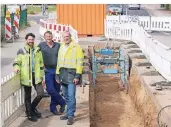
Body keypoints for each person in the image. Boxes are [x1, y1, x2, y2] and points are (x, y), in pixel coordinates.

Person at [13, 33, 44, 122]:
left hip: (36, 76)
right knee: (28, 97)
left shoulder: (38, 50)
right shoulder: (21, 50)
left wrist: (42, 77)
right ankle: (29, 114)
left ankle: (32, 108)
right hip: (27, 76)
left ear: (34, 40)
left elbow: (41, 64)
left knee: (41, 93)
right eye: (29, 39)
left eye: (32, 39)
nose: (31, 41)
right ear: (26, 40)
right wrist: (16, 68)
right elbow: (16, 62)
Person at [56, 31, 84, 125]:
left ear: (70, 37)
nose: (66, 38)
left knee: (71, 96)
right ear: (62, 37)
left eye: (67, 36)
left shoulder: (76, 47)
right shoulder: (61, 46)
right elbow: (59, 62)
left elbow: (80, 62)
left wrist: (77, 76)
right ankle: (68, 113)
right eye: (64, 37)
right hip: (63, 74)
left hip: (72, 75)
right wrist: (57, 73)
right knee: (66, 96)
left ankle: (71, 116)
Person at [38, 31, 66, 115]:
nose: (49, 37)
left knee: (56, 89)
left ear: (52, 36)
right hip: (48, 70)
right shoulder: (41, 45)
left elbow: (63, 54)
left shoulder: (58, 45)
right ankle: (62, 102)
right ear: (44, 37)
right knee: (50, 89)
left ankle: (53, 108)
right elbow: (35, 55)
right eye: (47, 36)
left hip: (57, 70)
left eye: (50, 36)